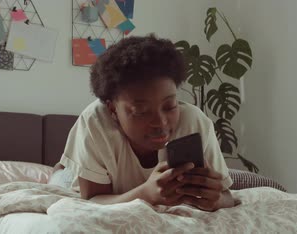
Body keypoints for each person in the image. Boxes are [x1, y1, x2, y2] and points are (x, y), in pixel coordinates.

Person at [54, 34, 238, 211]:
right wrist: (146, 194)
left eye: (170, 106)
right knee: (60, 179)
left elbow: (229, 197)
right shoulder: (96, 122)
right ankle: (59, 168)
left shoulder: (194, 122)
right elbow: (92, 201)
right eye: (141, 112)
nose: (160, 122)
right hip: (78, 179)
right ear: (112, 110)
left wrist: (217, 200)